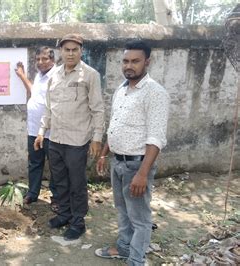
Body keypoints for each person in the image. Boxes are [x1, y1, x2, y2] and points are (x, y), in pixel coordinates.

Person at [94, 40, 169, 266]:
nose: (129, 65)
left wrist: (143, 174)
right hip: (118, 162)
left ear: (147, 61)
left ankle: (136, 260)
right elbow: (115, 125)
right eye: (125, 61)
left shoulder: (155, 93)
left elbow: (156, 137)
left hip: (137, 165)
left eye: (135, 61)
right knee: (122, 211)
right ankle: (124, 248)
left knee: (140, 219)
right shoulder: (122, 88)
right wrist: (104, 153)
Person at [35, 33, 104, 241]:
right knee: (60, 182)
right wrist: (41, 132)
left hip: (77, 141)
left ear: (81, 51)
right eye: (67, 49)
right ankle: (64, 214)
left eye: (75, 49)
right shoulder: (54, 75)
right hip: (55, 139)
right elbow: (49, 108)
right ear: (61, 52)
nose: (71, 53)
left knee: (77, 183)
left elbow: (97, 109)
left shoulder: (90, 75)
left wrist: (97, 138)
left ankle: (78, 221)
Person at [14, 47, 58, 210]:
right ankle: (32, 194)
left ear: (53, 60)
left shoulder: (57, 75)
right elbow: (34, 93)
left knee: (55, 166)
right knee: (34, 162)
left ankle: (57, 198)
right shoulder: (40, 76)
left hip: (51, 130)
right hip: (34, 129)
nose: (40, 62)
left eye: (45, 59)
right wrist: (22, 76)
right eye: (38, 59)